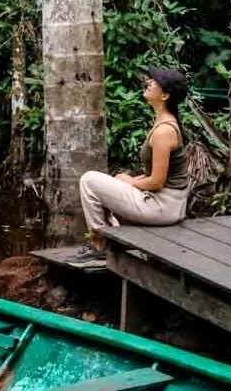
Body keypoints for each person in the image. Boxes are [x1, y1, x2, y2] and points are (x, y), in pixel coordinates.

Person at [70, 67, 189, 264]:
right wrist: (126, 181)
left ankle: (100, 244)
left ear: (165, 95)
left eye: (155, 82)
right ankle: (109, 240)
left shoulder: (164, 131)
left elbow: (157, 182)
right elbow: (156, 175)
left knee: (89, 180)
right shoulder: (163, 122)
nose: (149, 82)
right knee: (110, 182)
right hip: (166, 204)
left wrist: (130, 182)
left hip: (163, 207)